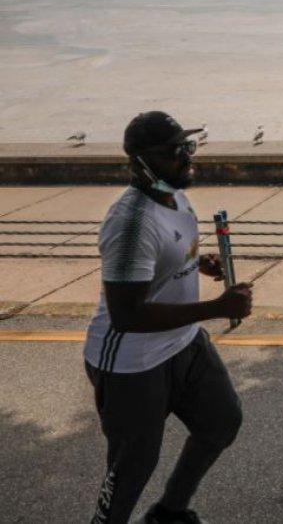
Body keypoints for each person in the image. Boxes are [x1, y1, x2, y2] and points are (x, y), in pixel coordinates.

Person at [83, 111, 254, 524]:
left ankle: (168, 514)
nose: (186, 157)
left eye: (188, 146)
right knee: (133, 468)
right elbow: (127, 314)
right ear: (140, 162)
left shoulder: (176, 195)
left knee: (221, 422)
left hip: (182, 342)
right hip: (131, 363)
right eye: (173, 151)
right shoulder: (130, 224)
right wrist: (216, 309)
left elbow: (167, 254)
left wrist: (197, 264)